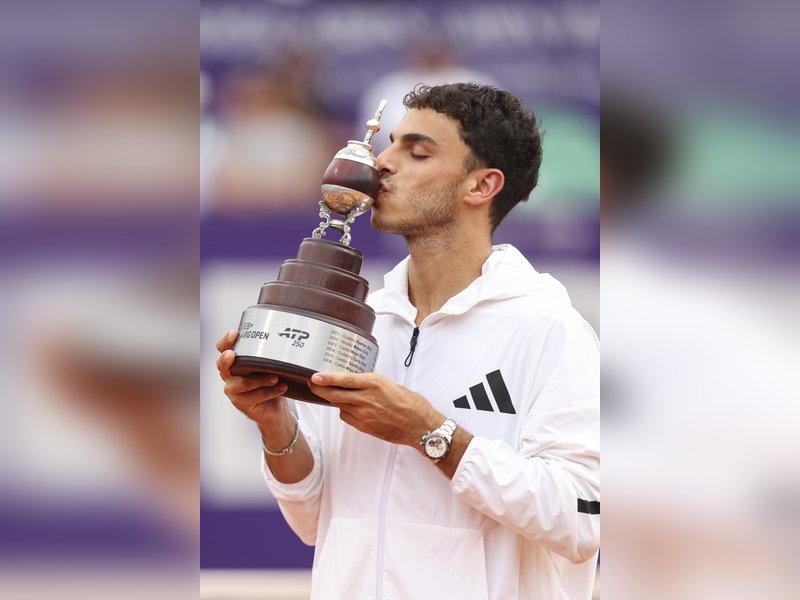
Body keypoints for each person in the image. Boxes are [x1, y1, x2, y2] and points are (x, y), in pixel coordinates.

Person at [216, 83, 600, 599]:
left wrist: (431, 433)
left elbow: (585, 517)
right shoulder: (365, 318)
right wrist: (272, 421)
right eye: (390, 143)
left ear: (482, 186)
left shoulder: (549, 327)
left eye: (416, 151)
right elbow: (316, 520)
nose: (382, 164)